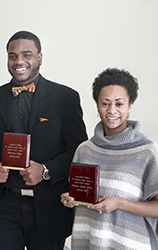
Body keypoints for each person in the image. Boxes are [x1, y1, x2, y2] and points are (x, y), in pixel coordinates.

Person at [0, 30, 88, 250]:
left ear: (39, 57)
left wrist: (47, 169)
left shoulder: (65, 98)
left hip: (49, 207)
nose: (19, 61)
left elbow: (79, 151)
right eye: (13, 56)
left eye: (26, 54)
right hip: (4, 205)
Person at [61, 68, 158, 250]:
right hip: (88, 243)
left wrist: (120, 203)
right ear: (97, 105)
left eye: (119, 104)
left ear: (130, 106)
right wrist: (71, 198)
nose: (112, 110)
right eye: (105, 103)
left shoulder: (147, 152)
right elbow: (81, 196)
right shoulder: (85, 150)